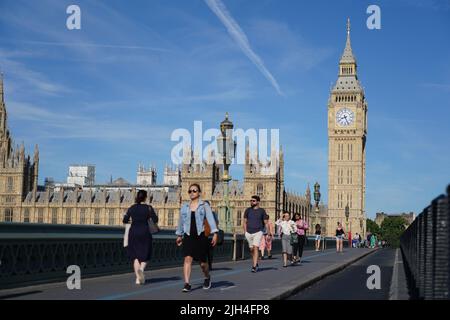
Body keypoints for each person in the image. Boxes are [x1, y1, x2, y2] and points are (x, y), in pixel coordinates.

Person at [175, 184, 218, 292]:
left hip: (201, 236)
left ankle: (207, 277)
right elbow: (180, 222)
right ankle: (187, 284)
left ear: (199, 192)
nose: (192, 193)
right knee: (187, 259)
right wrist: (179, 235)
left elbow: (211, 219)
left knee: (202, 263)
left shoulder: (204, 205)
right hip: (188, 235)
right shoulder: (184, 207)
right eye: (190, 191)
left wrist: (215, 234)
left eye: (194, 191)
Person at [123, 189, 158, 285]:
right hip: (145, 232)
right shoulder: (148, 208)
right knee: (146, 254)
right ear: (145, 197)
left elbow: (125, 220)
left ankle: (138, 279)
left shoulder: (132, 208)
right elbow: (155, 219)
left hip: (133, 232)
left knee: (135, 256)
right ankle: (141, 270)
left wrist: (132, 220)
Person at [243, 195, 269, 273]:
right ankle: (256, 262)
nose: (251, 202)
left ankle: (254, 266)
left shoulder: (262, 211)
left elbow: (266, 222)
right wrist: (245, 232)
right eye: (251, 201)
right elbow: (244, 222)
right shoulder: (247, 210)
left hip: (258, 231)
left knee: (255, 247)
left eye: (253, 201)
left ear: (258, 202)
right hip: (248, 232)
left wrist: (268, 233)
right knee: (251, 249)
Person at [204, 200, 219, 271]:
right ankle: (209, 265)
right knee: (209, 252)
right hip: (209, 235)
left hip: (206, 235)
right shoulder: (213, 213)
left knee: (207, 251)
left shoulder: (202, 213)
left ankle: (207, 264)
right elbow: (217, 222)